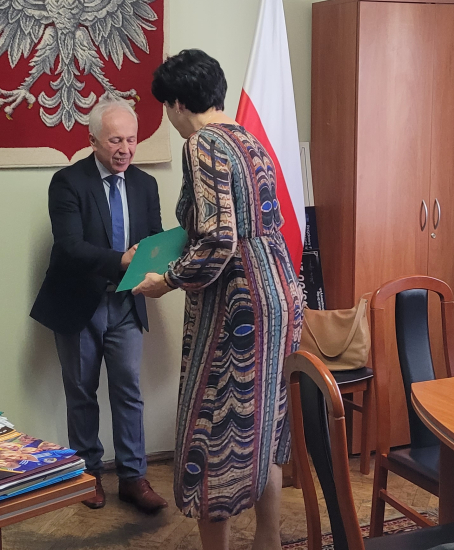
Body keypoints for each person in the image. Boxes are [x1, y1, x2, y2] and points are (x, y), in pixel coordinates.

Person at [135, 49, 303, 550]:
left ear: (177, 103)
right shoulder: (248, 139)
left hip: (238, 303)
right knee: (265, 422)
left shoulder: (202, 142)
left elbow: (218, 237)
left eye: (166, 106)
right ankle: (268, 540)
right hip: (279, 293)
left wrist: (167, 279)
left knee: (212, 430)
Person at [30, 94, 167, 512]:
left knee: (129, 390)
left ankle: (133, 477)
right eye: (115, 141)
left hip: (126, 302)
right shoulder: (68, 182)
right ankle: (88, 475)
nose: (125, 149)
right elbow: (69, 246)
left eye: (131, 139)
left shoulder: (145, 184)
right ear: (92, 141)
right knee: (81, 392)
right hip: (78, 304)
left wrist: (160, 261)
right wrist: (121, 259)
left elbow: (155, 237)